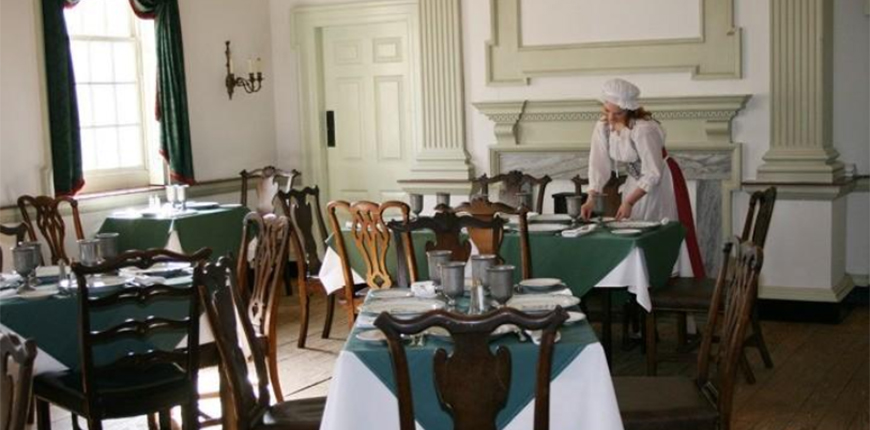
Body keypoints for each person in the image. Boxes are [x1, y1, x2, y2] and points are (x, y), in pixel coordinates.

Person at [580, 78, 705, 278]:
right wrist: (591, 198)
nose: (611, 118)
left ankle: (662, 279)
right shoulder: (603, 127)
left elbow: (653, 172)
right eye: (607, 111)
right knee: (634, 228)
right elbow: (598, 163)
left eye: (617, 113)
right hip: (635, 181)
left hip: (661, 183)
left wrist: (629, 201)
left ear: (629, 110)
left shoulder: (644, 129)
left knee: (656, 230)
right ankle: (638, 281)